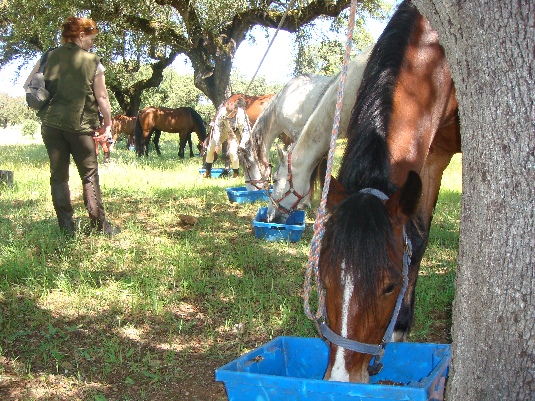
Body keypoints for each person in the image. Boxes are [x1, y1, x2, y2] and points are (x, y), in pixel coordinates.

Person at [23, 16, 120, 237]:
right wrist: (108, 124)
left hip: (51, 125)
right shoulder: (93, 61)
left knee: (58, 177)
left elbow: (27, 85)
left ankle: (66, 229)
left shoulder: (48, 56)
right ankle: (100, 228)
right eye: (92, 39)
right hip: (80, 126)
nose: (92, 44)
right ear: (81, 35)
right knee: (89, 176)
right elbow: (102, 98)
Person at [204, 97, 251, 178]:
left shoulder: (242, 115)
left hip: (236, 133)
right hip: (223, 131)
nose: (228, 116)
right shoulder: (222, 112)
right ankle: (207, 173)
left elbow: (246, 131)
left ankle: (235, 175)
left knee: (232, 152)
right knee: (210, 149)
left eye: (230, 114)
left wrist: (242, 144)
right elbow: (217, 128)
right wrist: (217, 144)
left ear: (235, 111)